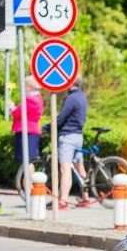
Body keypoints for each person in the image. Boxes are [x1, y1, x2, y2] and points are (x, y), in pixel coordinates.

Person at [43, 75, 90, 209]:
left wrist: (47, 127)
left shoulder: (71, 98)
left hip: (68, 136)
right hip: (78, 135)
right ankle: (85, 198)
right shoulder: (82, 97)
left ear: (70, 84)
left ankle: (62, 202)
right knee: (79, 167)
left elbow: (61, 118)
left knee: (65, 169)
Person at [7, 75, 44, 183]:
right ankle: (28, 183)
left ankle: (29, 184)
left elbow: (19, 113)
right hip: (29, 130)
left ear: (30, 86)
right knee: (28, 160)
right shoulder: (36, 98)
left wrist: (12, 107)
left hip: (27, 131)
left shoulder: (31, 99)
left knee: (27, 160)